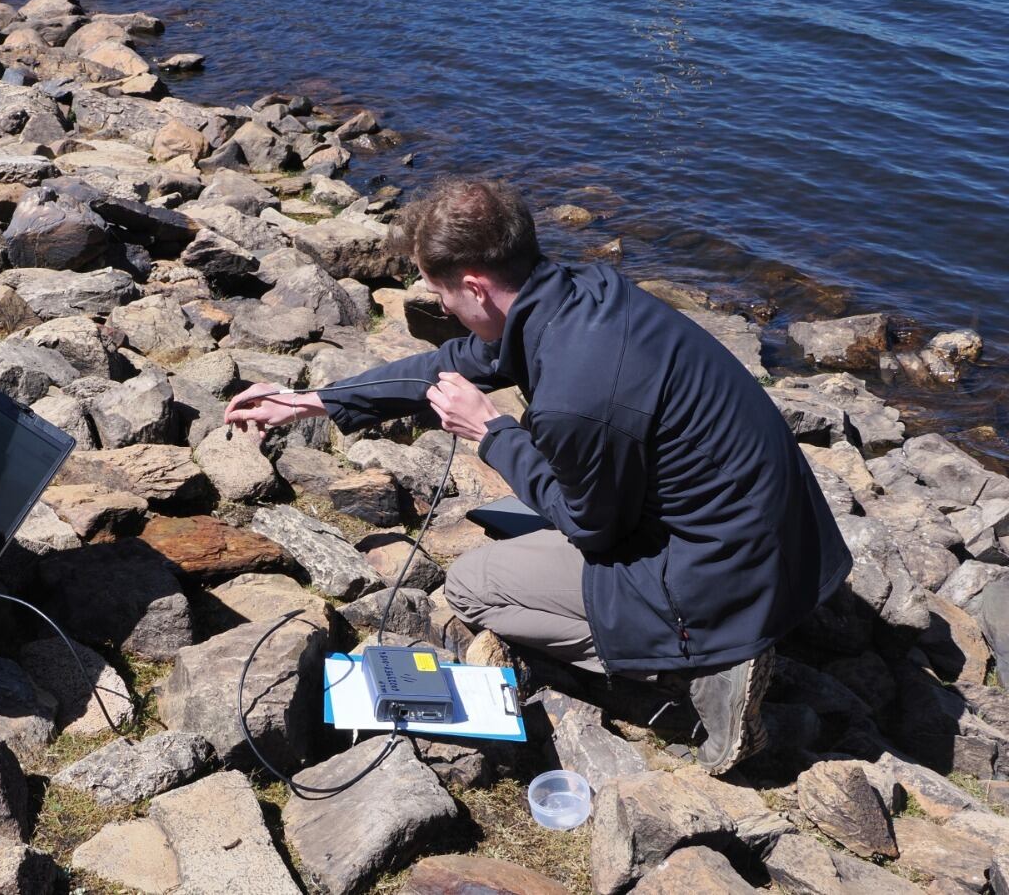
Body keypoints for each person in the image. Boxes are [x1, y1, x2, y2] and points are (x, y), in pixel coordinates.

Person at [224, 177, 852, 774]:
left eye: (440, 295)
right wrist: (314, 400)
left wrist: (493, 435)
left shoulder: (575, 398)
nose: (440, 308)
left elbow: (593, 529)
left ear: (475, 287)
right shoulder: (580, 293)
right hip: (790, 543)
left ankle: (699, 665)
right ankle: (716, 631)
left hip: (721, 574)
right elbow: (452, 364)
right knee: (525, 516)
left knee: (474, 585)